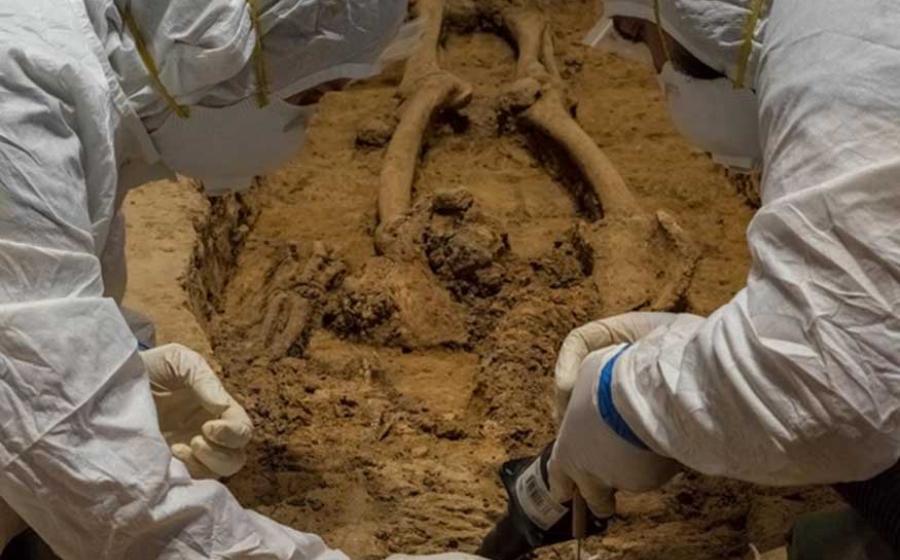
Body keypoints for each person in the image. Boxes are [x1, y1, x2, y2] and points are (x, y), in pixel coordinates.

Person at [0, 0, 472, 558]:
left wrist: (121, 362)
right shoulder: (22, 92)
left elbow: (32, 303)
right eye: (310, 96)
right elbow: (71, 444)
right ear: (218, 42)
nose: (303, 128)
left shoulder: (75, 82)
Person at [547, 0, 900, 558]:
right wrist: (707, 346)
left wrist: (629, 397)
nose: (661, 80)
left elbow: (840, 382)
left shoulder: (836, 38)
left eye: (643, 37)